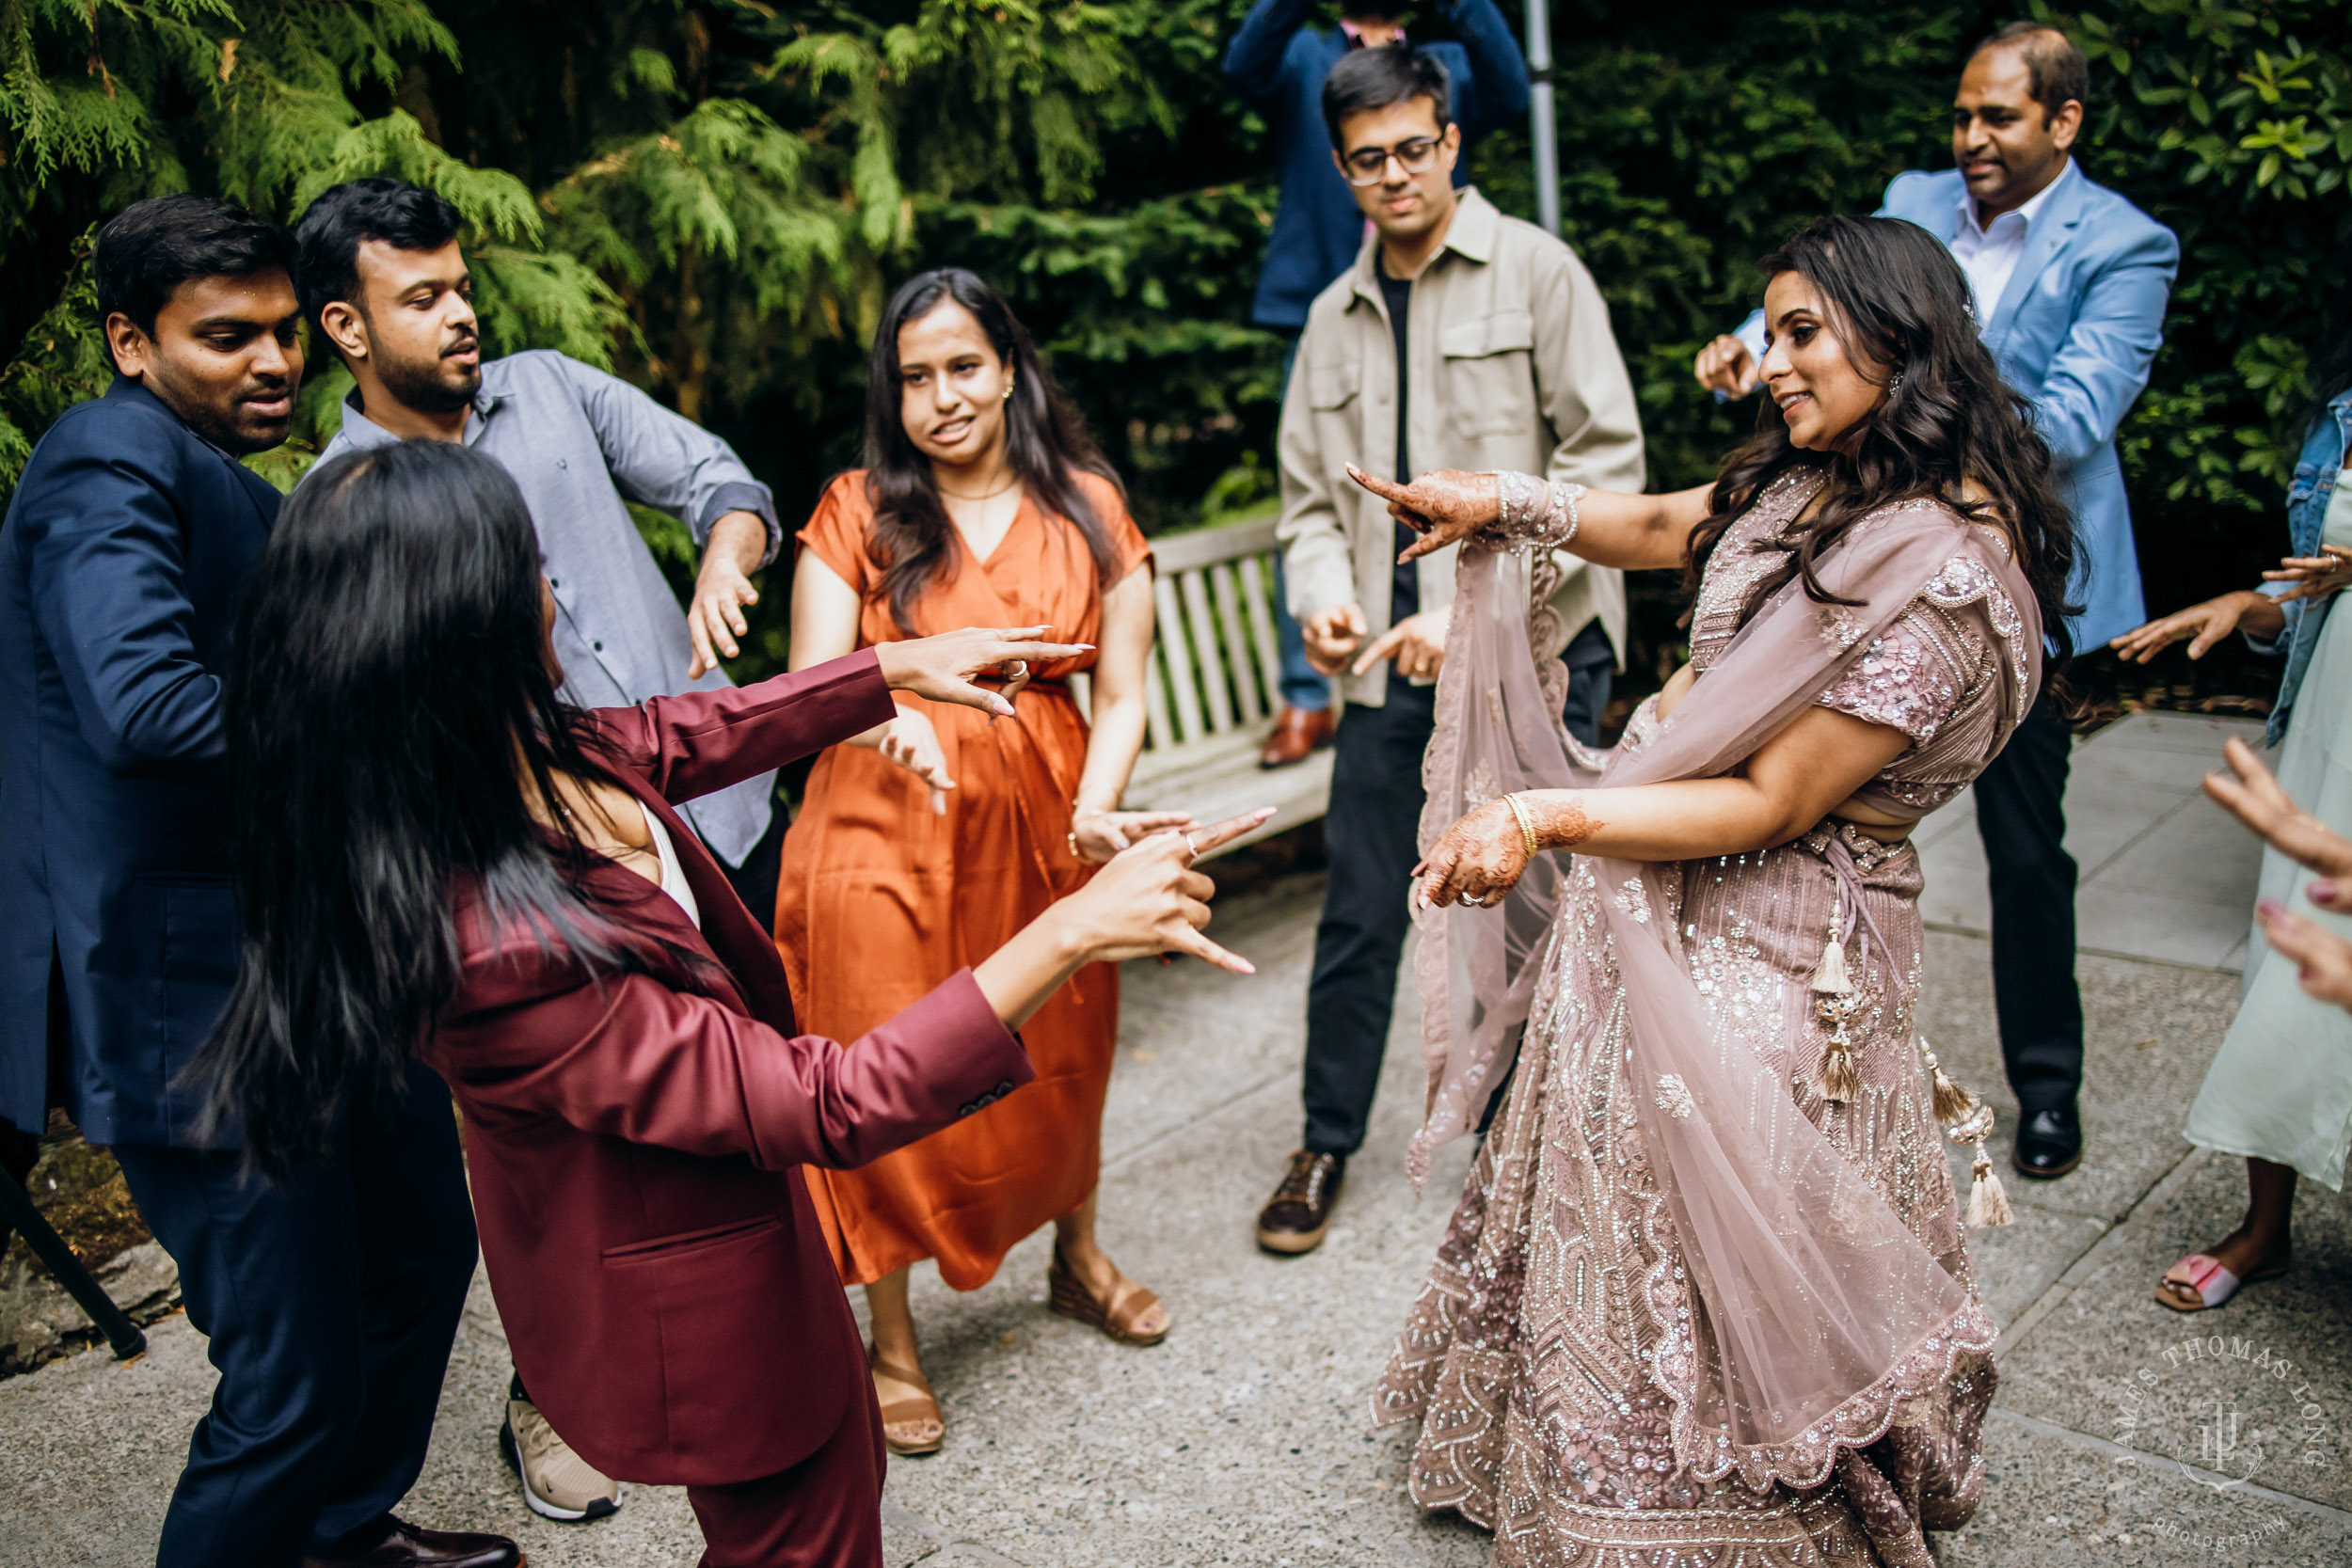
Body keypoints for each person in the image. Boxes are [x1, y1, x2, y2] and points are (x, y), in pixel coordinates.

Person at [196, 437, 1265, 1568]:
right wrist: (1071, 926)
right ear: (465, 626)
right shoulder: (494, 947)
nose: (555, 588)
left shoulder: (527, 753)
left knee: (834, 1501)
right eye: (531, 565)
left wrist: (891, 668)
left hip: (741, 1235)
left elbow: (682, 732)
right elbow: (830, 1099)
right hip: (699, 1314)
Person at [1359, 213, 2075, 1562]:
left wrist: (1547, 812)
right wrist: (1502, 500)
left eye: (1803, 332)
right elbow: (1655, 524)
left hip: (1791, 923)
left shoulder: (1940, 574)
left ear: (1900, 336)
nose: (1775, 361)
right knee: (1605, 1153)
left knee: (1714, 1182)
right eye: (1772, 332)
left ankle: (1746, 1498)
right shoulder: (1816, 481)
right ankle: (1589, 1463)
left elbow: (1773, 800)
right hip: (1664, 869)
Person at [0, 198, 516, 1568]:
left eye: (287, 330)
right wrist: (394, 715)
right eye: (225, 337)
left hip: (308, 968)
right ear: (130, 340)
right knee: (286, 1381)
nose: (272, 361)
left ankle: (342, 1532)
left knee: (416, 1247)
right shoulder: (101, 467)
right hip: (192, 1007)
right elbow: (148, 708)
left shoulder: (210, 467)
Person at [293, 175, 784, 1518]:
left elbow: (717, 476)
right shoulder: (343, 502)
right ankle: (555, 1383)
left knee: (740, 1094)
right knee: (567, 1166)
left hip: (707, 811)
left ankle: (757, 1332)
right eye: (423, 297)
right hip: (532, 887)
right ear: (344, 324)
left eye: (463, 284)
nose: (463, 313)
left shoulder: (555, 383)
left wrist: (728, 550)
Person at [1694, 22, 2178, 1180]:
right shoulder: (1911, 195)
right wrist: (1764, 352)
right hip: (1855, 570)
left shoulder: (2125, 242)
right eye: (1960, 116)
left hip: (1999, 581)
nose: (1966, 140)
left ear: (2062, 122)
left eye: (1996, 118)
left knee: (2025, 850)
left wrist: (1911, 405)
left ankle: (2046, 1087)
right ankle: (1809, 1071)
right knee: (1811, 825)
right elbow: (1842, 317)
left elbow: (2067, 418)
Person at [774, 268, 1185, 1456]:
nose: (943, 396)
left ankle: (1077, 1253)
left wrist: (1096, 810)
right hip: (882, 819)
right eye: (915, 376)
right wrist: (873, 706)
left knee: (1063, 1039)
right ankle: (889, 1336)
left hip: (1046, 815)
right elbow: (806, 688)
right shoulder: (856, 508)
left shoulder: (1092, 505)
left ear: (1009, 368)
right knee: (880, 1053)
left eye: (964, 365)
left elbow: (1124, 688)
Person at [1255, 44, 1644, 1254]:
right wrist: (1327, 600)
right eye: (1367, 161)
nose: (1394, 176)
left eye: (1413, 149)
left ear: (1452, 140)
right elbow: (1310, 506)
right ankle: (1324, 1138)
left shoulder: (1538, 273)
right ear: (1340, 167)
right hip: (1387, 671)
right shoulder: (1330, 318)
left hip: (1536, 653)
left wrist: (1466, 614)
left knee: (1534, 913)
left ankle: (1514, 1155)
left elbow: (1607, 471)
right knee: (1362, 909)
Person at [2109, 326, 2352, 1310]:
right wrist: (2242, 606)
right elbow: (2311, 585)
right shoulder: (2342, 415)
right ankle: (2264, 1229)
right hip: (2333, 722)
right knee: (2289, 952)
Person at [1223, 0, 1530, 768]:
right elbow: (1240, 69)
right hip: (1330, 302)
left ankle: (1450, 641)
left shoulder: (1447, 64)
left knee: (1443, 465)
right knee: (1316, 485)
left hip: (1436, 295)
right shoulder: (1303, 54)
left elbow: (1513, 92)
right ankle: (1307, 694)